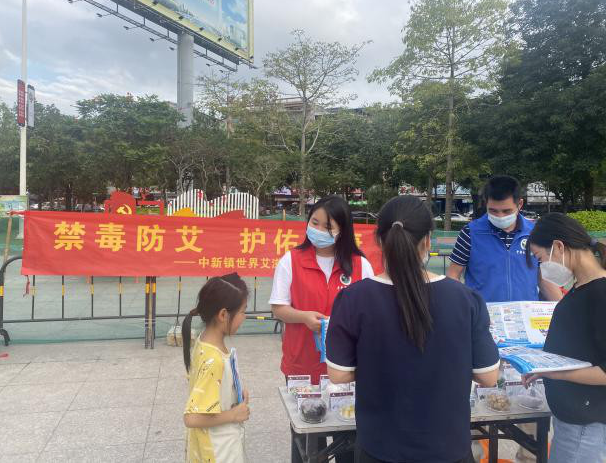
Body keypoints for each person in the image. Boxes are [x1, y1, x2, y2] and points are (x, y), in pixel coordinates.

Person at [326, 195, 500, 463]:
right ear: (428, 241)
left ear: (380, 241)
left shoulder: (353, 299)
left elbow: (338, 374)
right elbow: (488, 376)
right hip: (448, 448)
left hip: (380, 448)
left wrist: (379, 367)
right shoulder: (466, 299)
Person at [270, 195, 374, 463]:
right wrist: (303, 317)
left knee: (347, 437)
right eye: (314, 222)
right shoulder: (291, 260)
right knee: (307, 441)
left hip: (346, 369)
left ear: (342, 230)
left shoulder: (360, 265)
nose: (317, 230)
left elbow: (373, 312)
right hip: (302, 365)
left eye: (327, 227)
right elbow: (278, 308)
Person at [523, 213, 606, 462]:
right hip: (573, 421)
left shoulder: (599, 294)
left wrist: (554, 372)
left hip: (584, 425)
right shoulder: (581, 288)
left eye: (540, 258)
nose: (542, 267)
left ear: (558, 246)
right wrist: (543, 366)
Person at [448, 175, 562, 303]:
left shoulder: (535, 233)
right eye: (493, 211)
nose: (500, 216)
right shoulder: (470, 233)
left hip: (525, 311)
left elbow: (545, 278)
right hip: (482, 312)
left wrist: (562, 308)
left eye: (507, 211)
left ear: (520, 204)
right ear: (486, 203)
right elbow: (453, 275)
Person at [182, 273, 250, 463]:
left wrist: (233, 391)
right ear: (223, 315)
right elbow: (192, 418)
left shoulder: (205, 341)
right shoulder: (214, 360)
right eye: (243, 311)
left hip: (216, 444)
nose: (244, 317)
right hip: (218, 450)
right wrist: (233, 414)